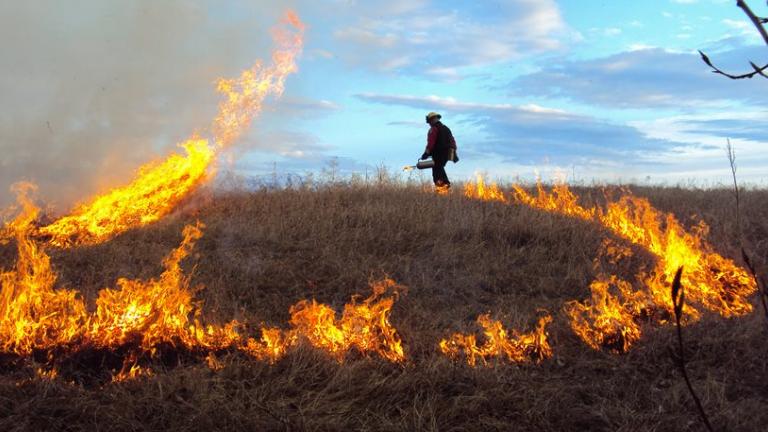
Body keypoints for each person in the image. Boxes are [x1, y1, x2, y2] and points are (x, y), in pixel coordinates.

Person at [421, 112, 458, 188]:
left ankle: (443, 185)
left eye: (429, 121)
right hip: (449, 152)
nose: (429, 123)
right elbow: (453, 140)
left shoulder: (433, 129)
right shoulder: (446, 128)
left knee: (436, 170)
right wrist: (453, 151)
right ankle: (444, 184)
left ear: (432, 120)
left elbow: (431, 143)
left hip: (439, 152)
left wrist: (426, 154)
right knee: (439, 167)